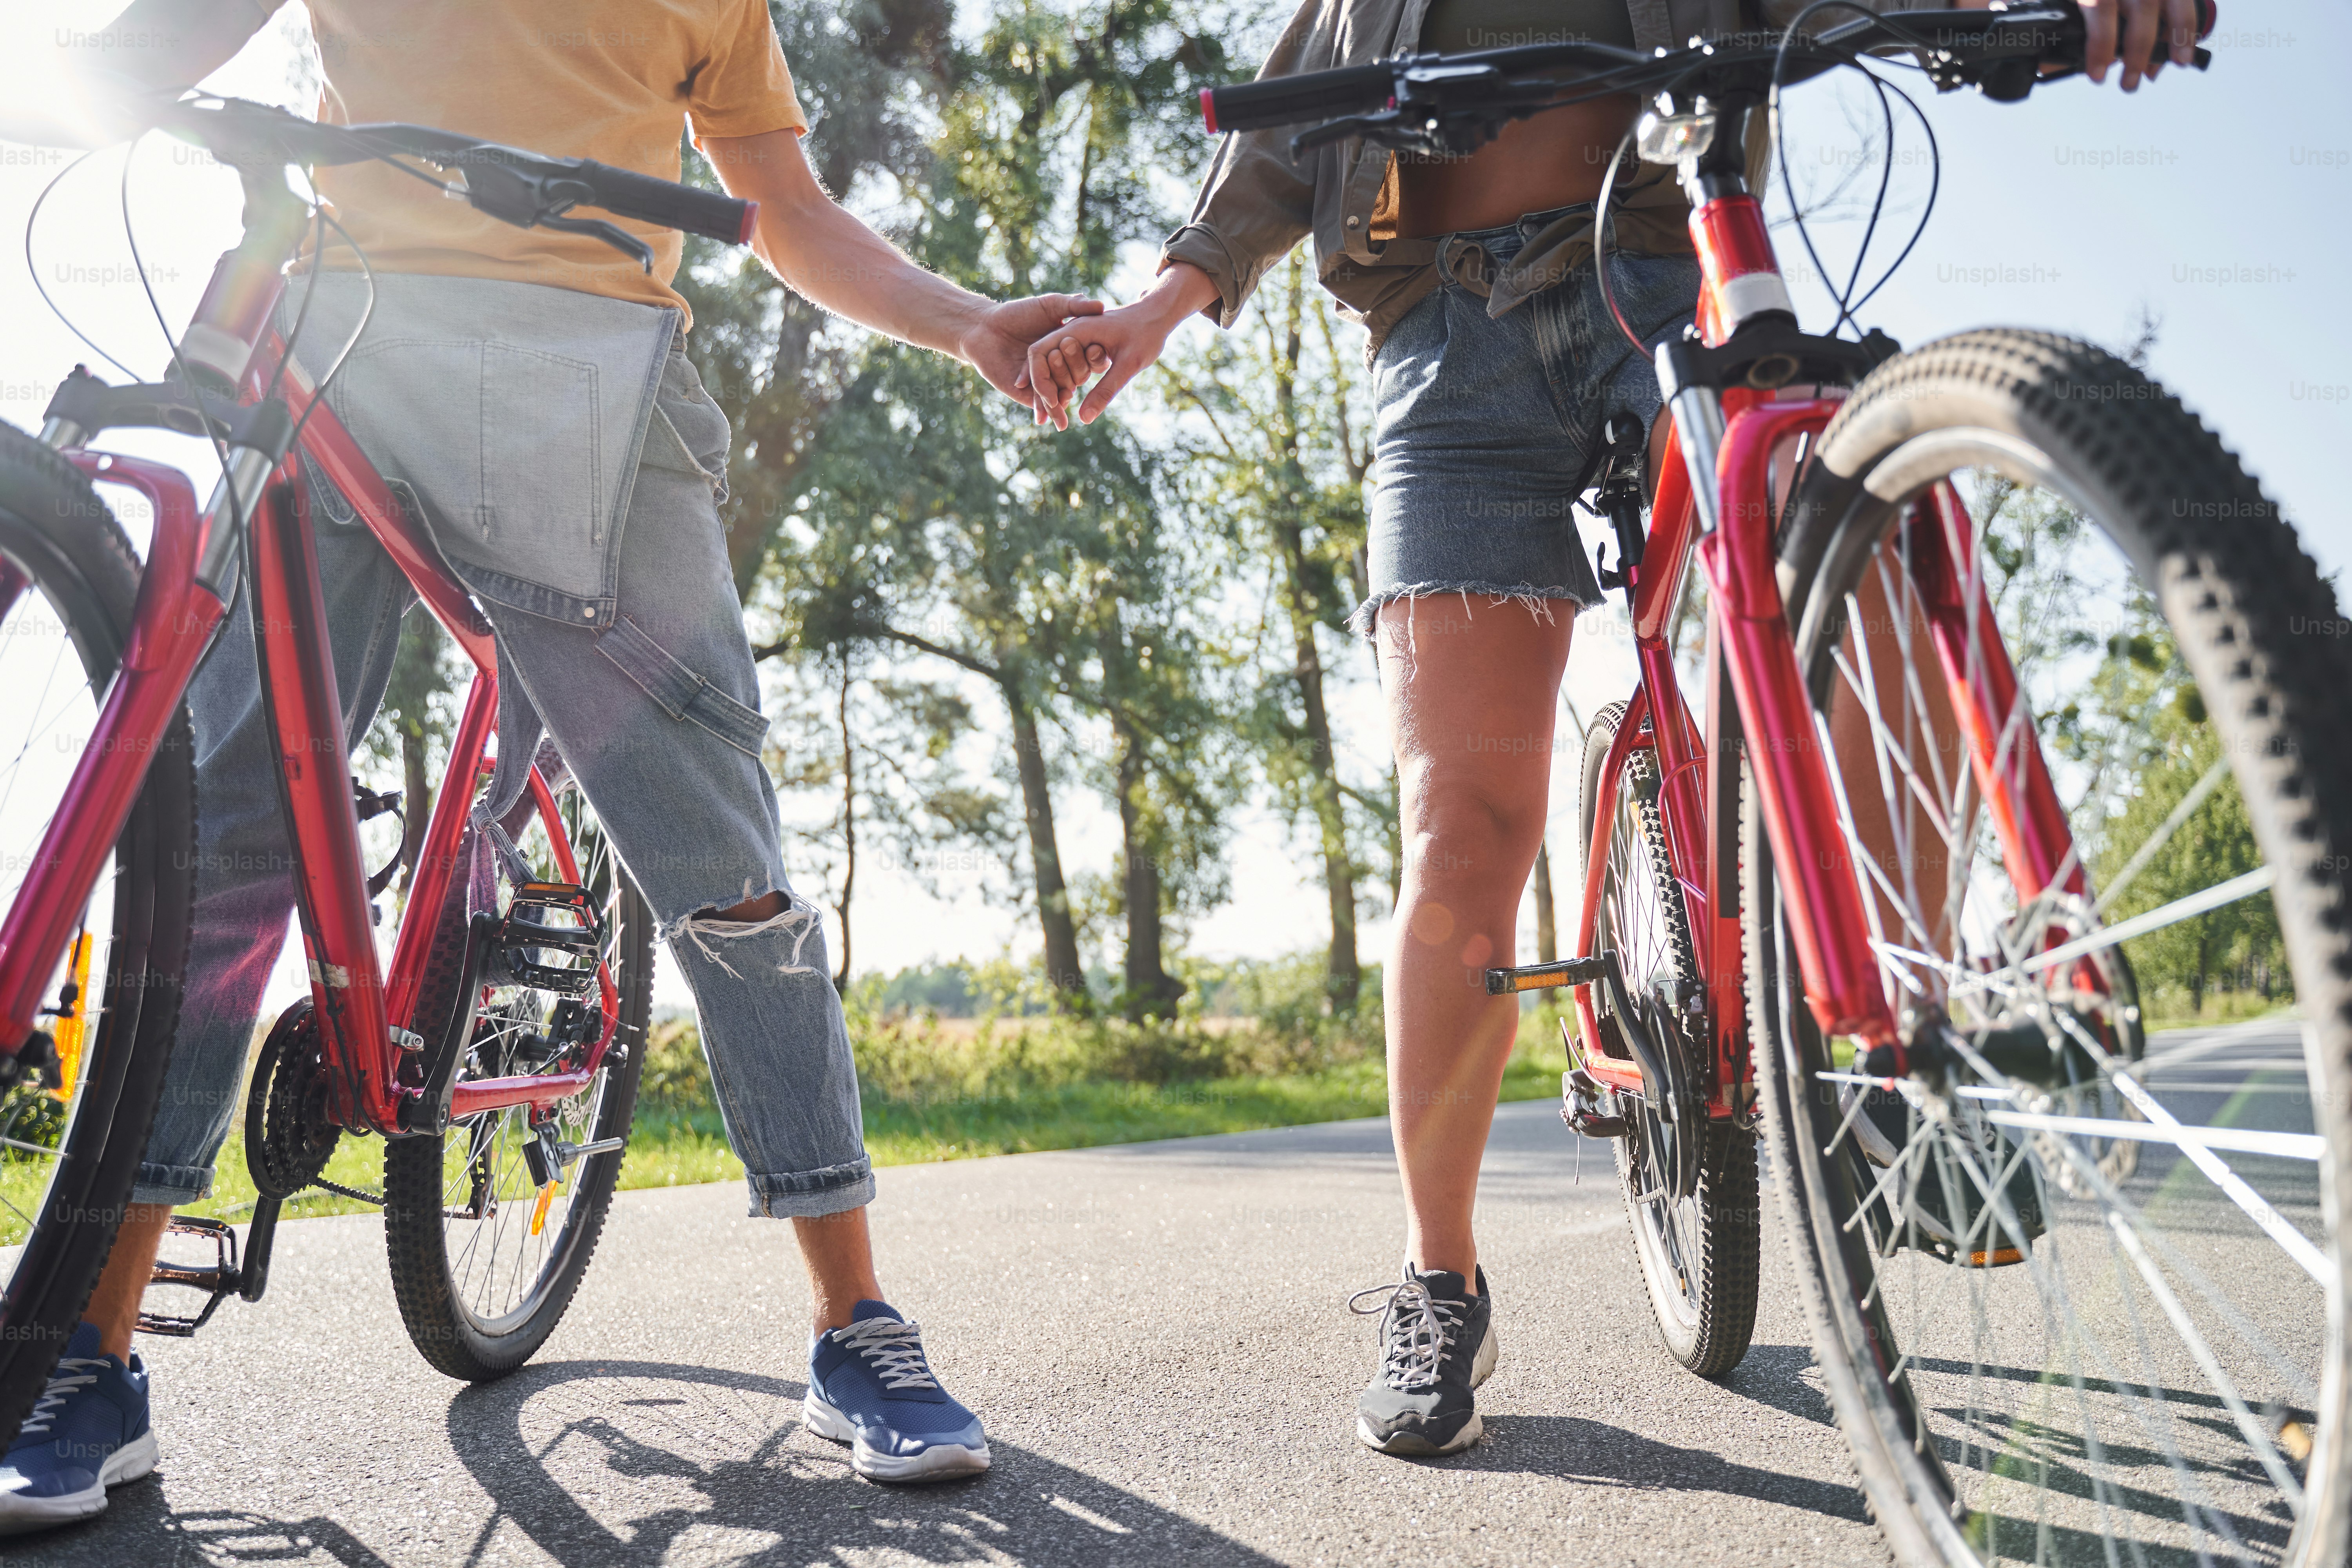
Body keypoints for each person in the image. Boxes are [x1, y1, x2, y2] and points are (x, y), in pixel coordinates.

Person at [1020, 0, 2200, 1457]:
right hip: (1442, 346)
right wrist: (1152, 311)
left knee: (1866, 560)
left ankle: (1893, 1052)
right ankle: (1438, 1276)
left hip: (1665, 273)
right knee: (1465, 821)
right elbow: (1269, 162)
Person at [0, 0, 1097, 1532]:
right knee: (224, 841)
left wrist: (965, 319)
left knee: (724, 874)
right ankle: (87, 1353)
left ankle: (857, 1325)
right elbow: (155, 40)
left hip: (599, 373)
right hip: (336, 347)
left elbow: (783, 204)